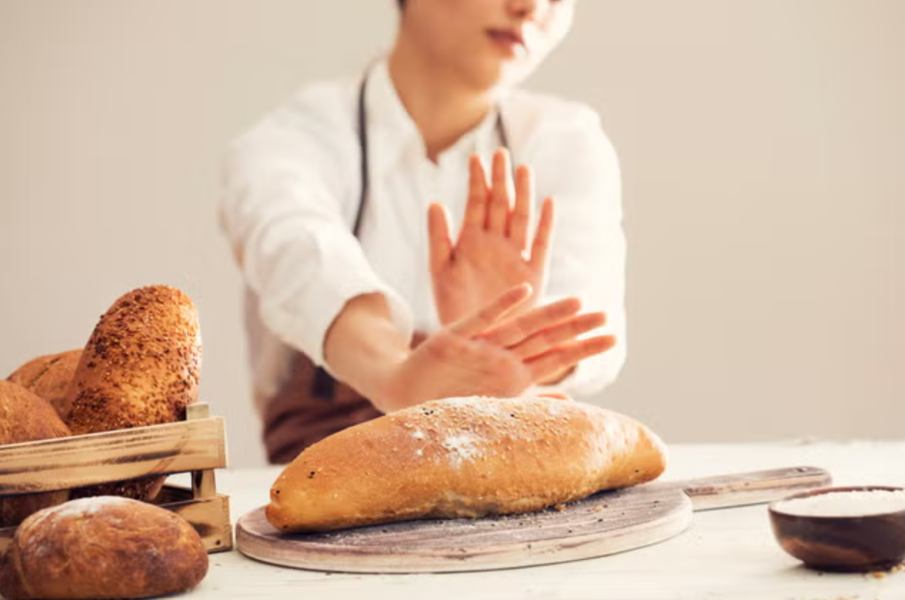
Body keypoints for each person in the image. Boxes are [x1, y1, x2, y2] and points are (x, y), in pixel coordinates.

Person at [220, 0, 627, 464]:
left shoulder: (568, 141)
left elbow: (589, 328)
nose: (530, 7)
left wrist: (499, 356)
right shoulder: (288, 141)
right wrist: (395, 375)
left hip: (499, 464)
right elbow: (300, 258)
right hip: (326, 472)